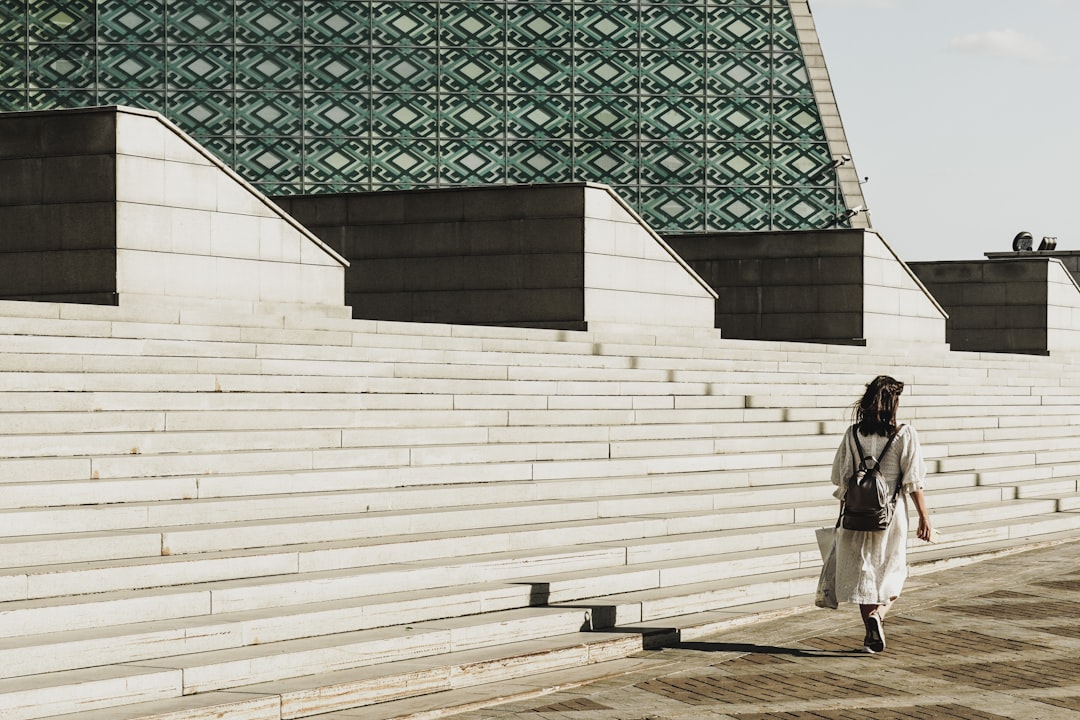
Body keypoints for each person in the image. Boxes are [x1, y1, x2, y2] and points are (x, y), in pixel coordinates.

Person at [830, 375, 932, 653]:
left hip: (856, 515)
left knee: (865, 575)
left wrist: (841, 518)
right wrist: (925, 517)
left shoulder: (853, 434)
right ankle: (878, 616)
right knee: (893, 571)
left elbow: (844, 480)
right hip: (890, 513)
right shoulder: (904, 434)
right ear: (892, 404)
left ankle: (870, 632)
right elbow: (913, 482)